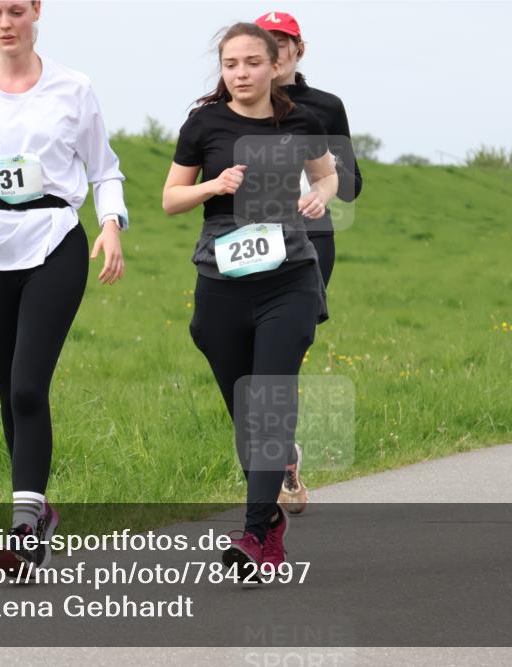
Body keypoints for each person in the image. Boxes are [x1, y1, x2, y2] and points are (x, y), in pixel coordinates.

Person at [0, 0, 128, 573]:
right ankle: (39, 511)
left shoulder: (74, 88)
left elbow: (104, 169)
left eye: (16, 10)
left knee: (26, 388)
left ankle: (22, 528)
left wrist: (110, 223)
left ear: (37, 10)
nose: (5, 23)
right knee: (6, 391)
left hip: (54, 241)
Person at [163, 22, 337, 574]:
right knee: (247, 413)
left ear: (273, 66)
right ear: (223, 70)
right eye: (231, 64)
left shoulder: (301, 120)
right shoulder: (203, 124)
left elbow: (329, 176)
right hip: (221, 283)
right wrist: (214, 187)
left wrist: (318, 198)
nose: (241, 73)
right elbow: (170, 199)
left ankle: (256, 532)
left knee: (267, 404)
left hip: (288, 277)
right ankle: (271, 511)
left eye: (252, 63)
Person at [255, 11, 364, 515]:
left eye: (283, 44)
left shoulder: (326, 106)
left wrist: (320, 174)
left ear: (299, 51)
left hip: (311, 238)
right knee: (255, 353)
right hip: (252, 239)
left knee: (286, 347)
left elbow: (352, 182)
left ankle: (279, 457)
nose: (274, 53)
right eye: (265, 43)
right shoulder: (240, 103)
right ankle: (283, 451)